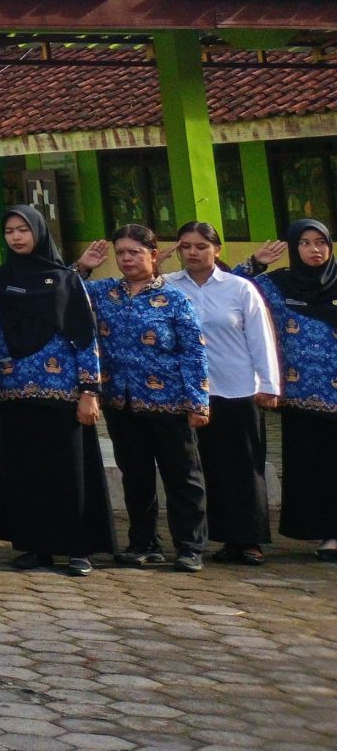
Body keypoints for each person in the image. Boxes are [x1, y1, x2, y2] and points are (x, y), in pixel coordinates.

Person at [0, 203, 113, 574]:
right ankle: (35, 546)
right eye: (9, 231)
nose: (16, 237)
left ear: (39, 232)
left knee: (68, 470)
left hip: (62, 391)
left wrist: (89, 390)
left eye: (23, 229)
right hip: (13, 390)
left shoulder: (66, 279)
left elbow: (85, 338)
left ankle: (78, 548)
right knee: (25, 471)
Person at [74, 225, 211, 571]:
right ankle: (143, 543)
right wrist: (83, 266)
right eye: (121, 253)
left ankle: (190, 547)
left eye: (135, 252)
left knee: (182, 477)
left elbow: (193, 352)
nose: (127, 259)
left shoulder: (176, 298)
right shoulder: (105, 292)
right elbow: (62, 290)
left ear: (153, 254)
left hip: (170, 403)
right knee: (135, 476)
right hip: (122, 402)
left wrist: (198, 401)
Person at [166, 219, 281, 564]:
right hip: (188, 394)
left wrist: (269, 384)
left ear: (217, 250)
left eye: (201, 246)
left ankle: (249, 540)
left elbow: (261, 338)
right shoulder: (168, 286)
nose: (193, 253)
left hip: (237, 389)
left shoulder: (239, 288)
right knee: (204, 467)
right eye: (185, 246)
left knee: (244, 467)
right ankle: (216, 538)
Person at [241, 219, 337, 557]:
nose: (315, 249)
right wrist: (256, 262)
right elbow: (227, 288)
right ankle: (323, 530)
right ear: (294, 248)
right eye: (306, 243)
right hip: (299, 396)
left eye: (321, 242)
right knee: (313, 466)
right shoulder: (276, 285)